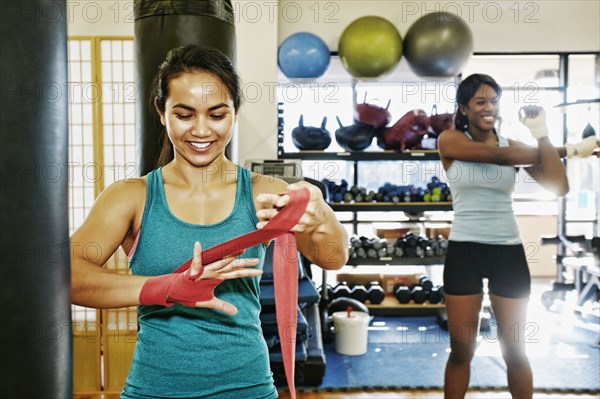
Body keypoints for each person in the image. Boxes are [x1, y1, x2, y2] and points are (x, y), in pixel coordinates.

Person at [70, 45, 349, 399]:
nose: (201, 131)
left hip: (247, 387)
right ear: (161, 112)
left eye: (217, 115)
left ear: (235, 113)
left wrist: (320, 214)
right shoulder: (132, 197)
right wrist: (166, 287)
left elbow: (333, 257)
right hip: (155, 388)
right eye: (184, 115)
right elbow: (66, 274)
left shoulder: (265, 192)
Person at [437, 73, 599, 399]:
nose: (489, 107)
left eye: (494, 100)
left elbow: (559, 186)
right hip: (464, 252)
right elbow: (499, 157)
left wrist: (541, 135)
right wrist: (574, 148)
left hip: (507, 253)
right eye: (480, 101)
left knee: (515, 352)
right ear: (464, 108)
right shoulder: (450, 140)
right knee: (461, 352)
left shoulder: (514, 147)